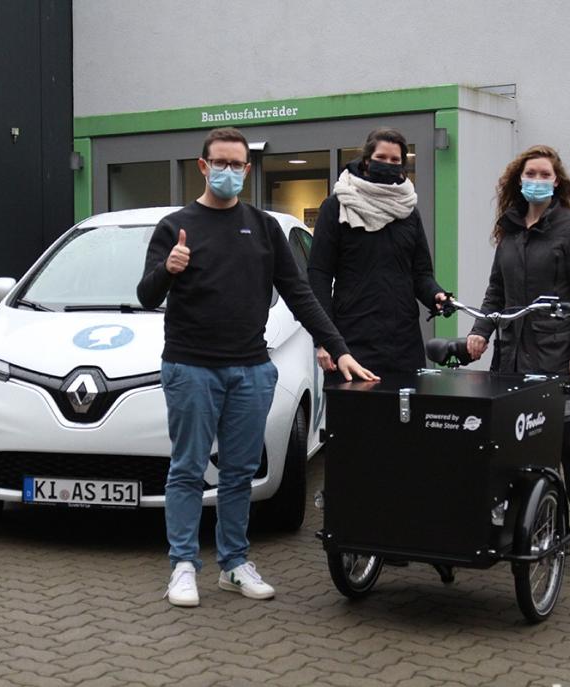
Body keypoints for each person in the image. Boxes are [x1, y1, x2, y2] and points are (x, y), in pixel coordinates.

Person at [137, 127, 379, 607]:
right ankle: (183, 565)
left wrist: (338, 347)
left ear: (247, 170)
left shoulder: (265, 228)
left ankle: (233, 563)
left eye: (237, 165)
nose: (228, 172)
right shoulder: (175, 227)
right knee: (187, 468)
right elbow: (146, 296)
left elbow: (300, 294)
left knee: (239, 472)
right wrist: (170, 268)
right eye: (219, 163)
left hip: (250, 369)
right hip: (191, 368)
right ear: (202, 167)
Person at [465, 144, 570, 580]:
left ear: (557, 181)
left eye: (545, 174)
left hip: (560, 359)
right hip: (511, 358)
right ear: (519, 179)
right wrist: (480, 332)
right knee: (514, 448)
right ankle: (528, 530)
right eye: (531, 173)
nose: (538, 180)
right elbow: (496, 291)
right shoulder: (510, 229)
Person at [307, 128, 449, 378]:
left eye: (395, 160)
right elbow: (318, 275)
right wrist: (324, 340)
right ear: (366, 161)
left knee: (406, 416)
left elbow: (421, 273)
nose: (388, 164)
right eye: (381, 158)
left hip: (404, 343)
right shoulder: (337, 206)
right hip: (351, 343)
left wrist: (435, 295)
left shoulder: (408, 211)